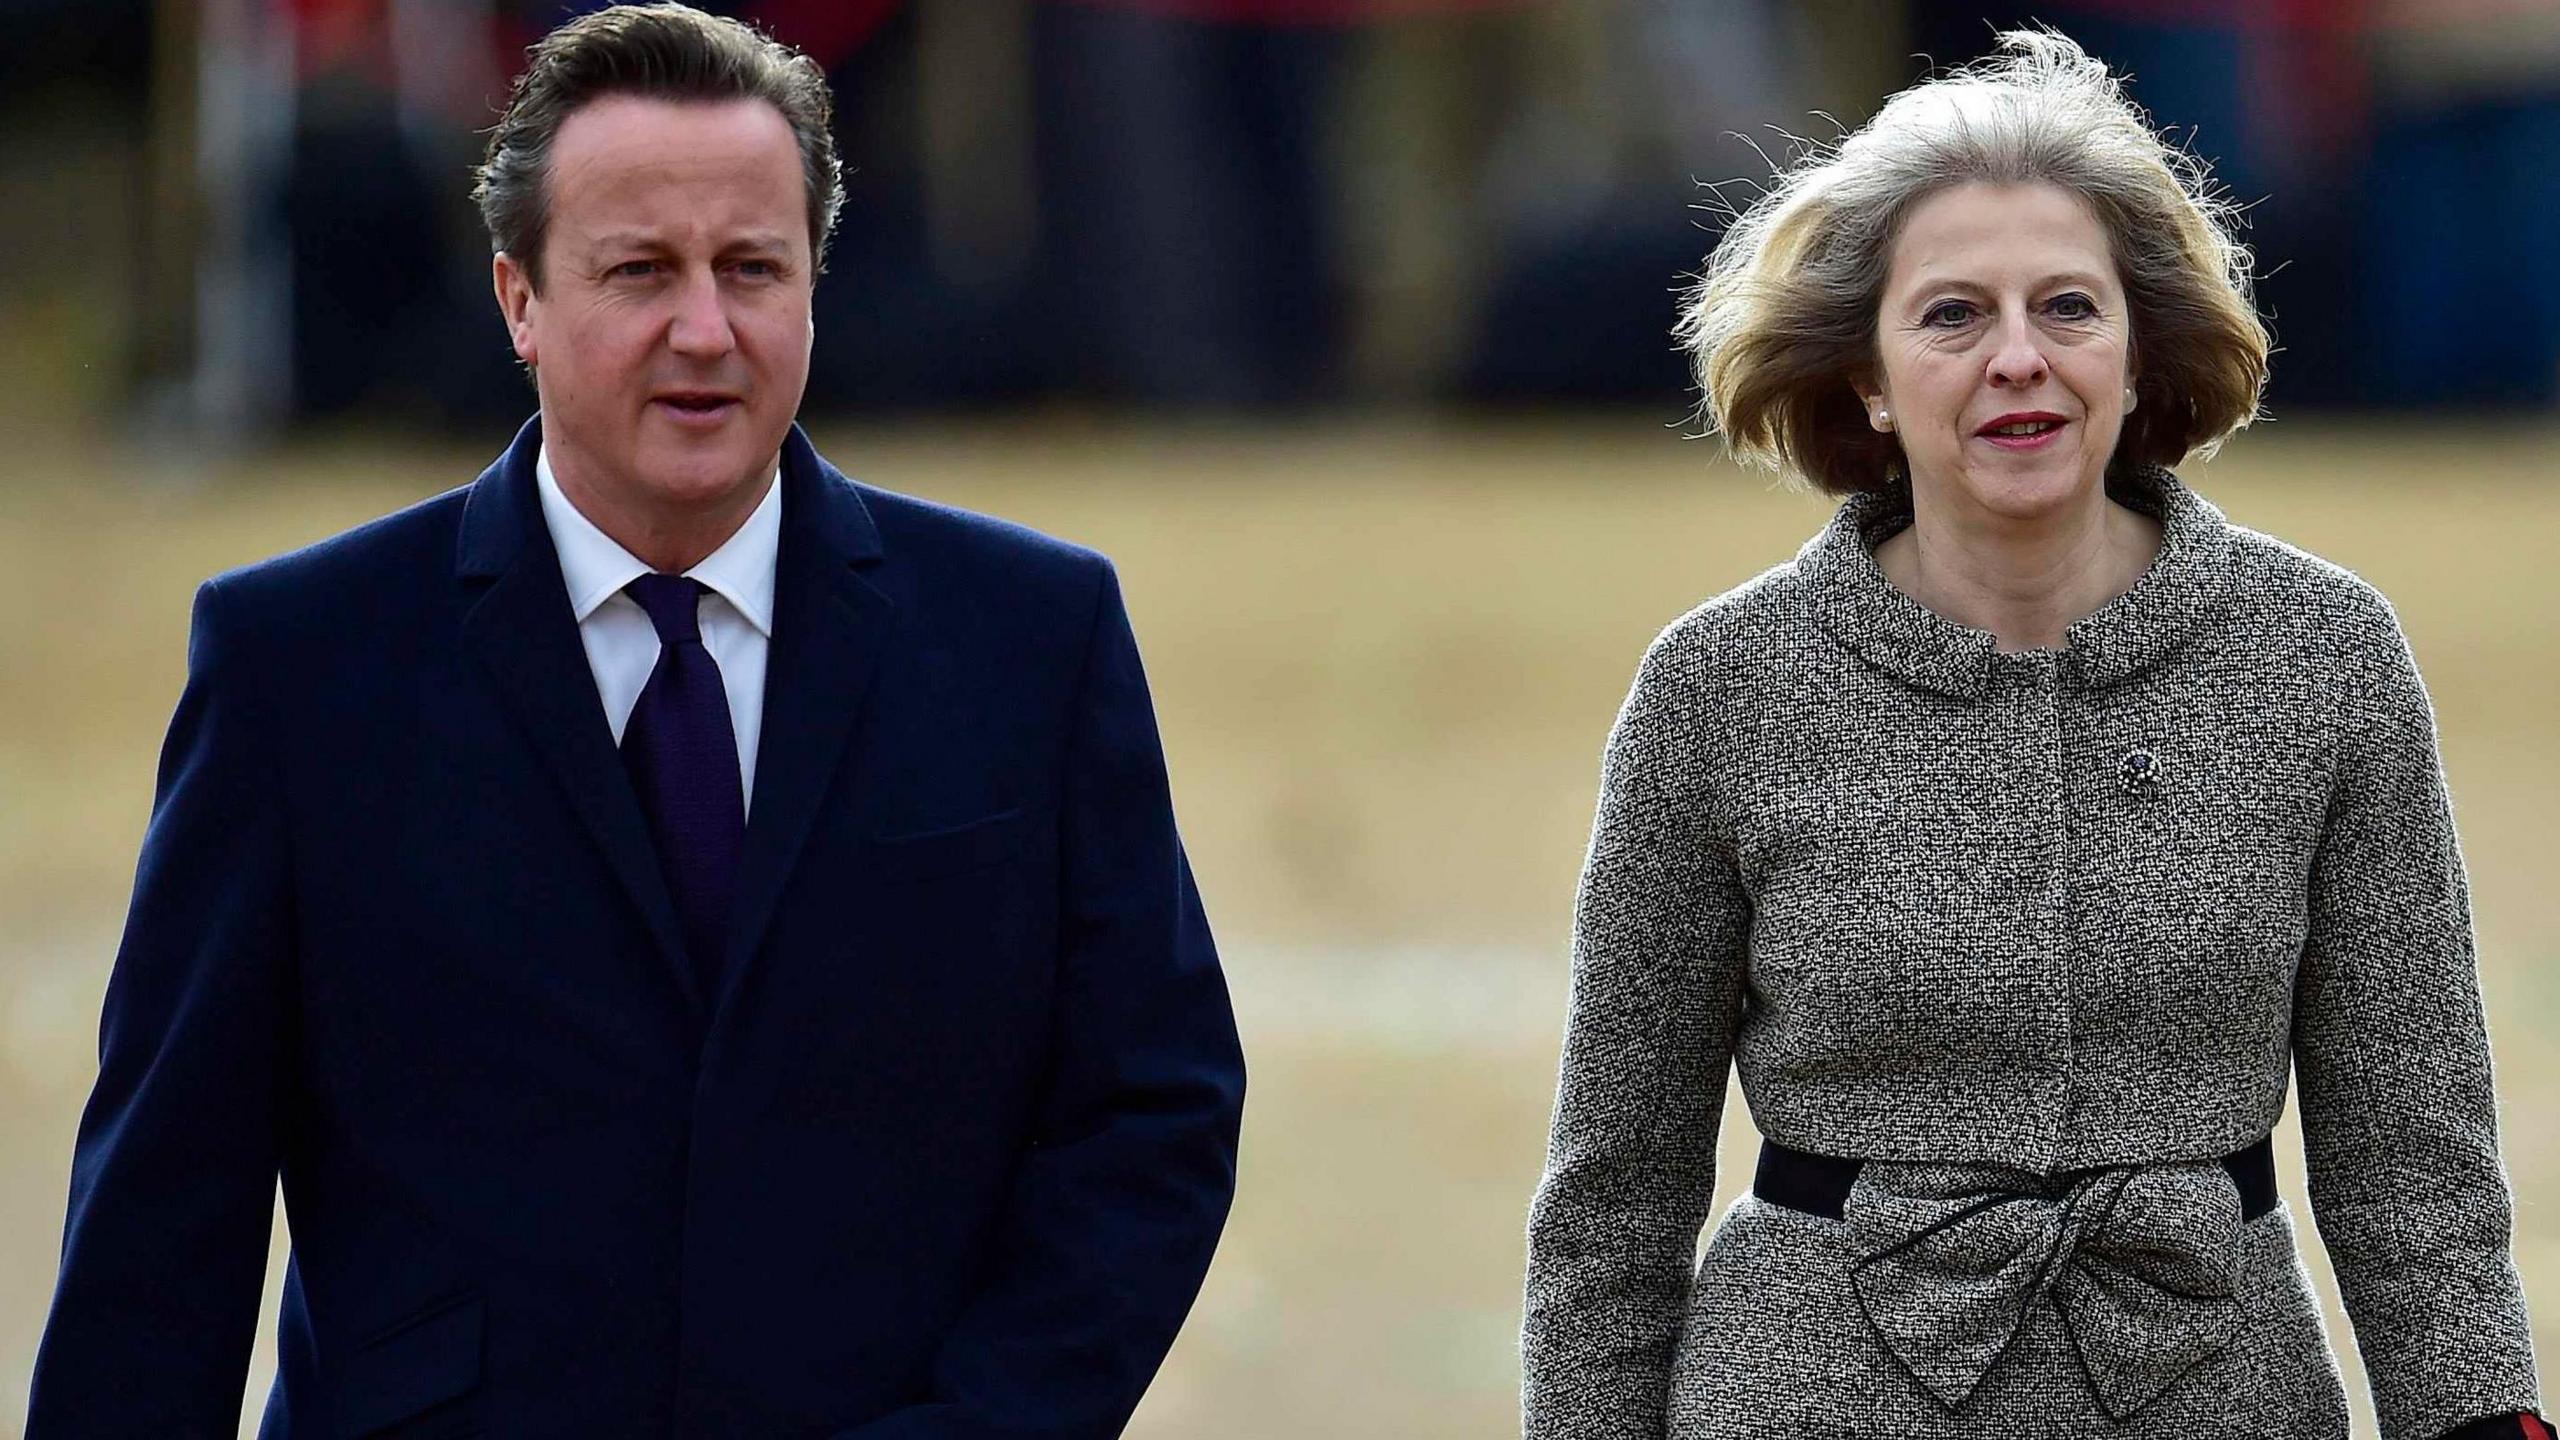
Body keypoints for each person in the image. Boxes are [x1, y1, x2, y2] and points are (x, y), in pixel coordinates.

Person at [26, 5, 1244, 1435]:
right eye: (639, 271)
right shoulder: (299, 665)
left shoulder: (1034, 639)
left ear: (814, 288)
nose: (705, 331)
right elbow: (166, 1213)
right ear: (519, 301)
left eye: (751, 269)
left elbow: (1152, 1114)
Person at [1521, 29, 2545, 1440]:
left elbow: (2414, 1161)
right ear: (1868, 377)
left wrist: (2482, 1422)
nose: (2018, 359)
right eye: (1951, 316)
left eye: (2069, 308)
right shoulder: (1717, 686)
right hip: (1805, 1403)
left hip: (2222, 1399)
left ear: (2139, 353)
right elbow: (1613, 1199)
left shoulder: (2327, 657)